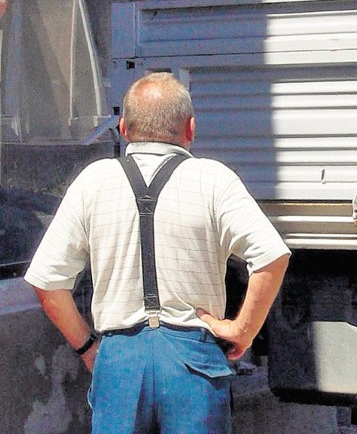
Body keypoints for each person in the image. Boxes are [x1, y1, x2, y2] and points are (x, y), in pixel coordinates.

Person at [24, 72, 290, 434]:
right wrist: (243, 330)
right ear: (191, 129)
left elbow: (47, 281)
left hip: (120, 361)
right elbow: (272, 256)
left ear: (123, 128)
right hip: (193, 362)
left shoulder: (93, 181)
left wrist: (88, 348)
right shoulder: (214, 179)